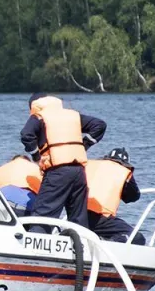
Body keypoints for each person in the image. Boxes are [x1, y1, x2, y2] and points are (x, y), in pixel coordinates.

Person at [20, 94, 106, 227]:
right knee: (78, 219)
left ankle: (34, 245)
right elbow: (99, 125)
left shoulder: (39, 116)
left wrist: (37, 157)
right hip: (79, 173)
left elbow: (26, 135)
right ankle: (80, 245)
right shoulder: (72, 115)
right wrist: (83, 146)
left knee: (42, 217)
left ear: (34, 105)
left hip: (57, 172)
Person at [85, 147, 145, 243]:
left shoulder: (89, 165)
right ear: (125, 164)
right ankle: (106, 243)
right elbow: (133, 196)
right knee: (136, 237)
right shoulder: (124, 171)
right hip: (100, 219)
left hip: (77, 215)